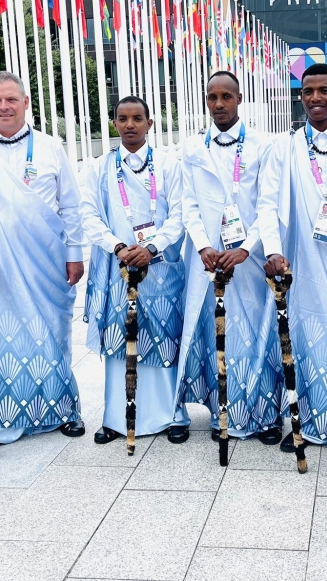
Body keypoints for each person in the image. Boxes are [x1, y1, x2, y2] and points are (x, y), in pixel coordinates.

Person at [0, 71, 85, 451]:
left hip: (45, 263)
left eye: (11, 99)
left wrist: (74, 254)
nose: (3, 107)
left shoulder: (49, 147)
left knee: (50, 333)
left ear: (26, 103)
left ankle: (60, 411)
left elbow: (71, 206)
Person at [259, 63, 327, 453]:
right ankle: (303, 422)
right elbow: (266, 204)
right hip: (301, 261)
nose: (316, 98)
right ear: (300, 96)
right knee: (304, 338)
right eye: (308, 91)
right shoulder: (284, 148)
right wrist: (273, 251)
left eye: (324, 91)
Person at [178, 70, 283, 443]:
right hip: (207, 259)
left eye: (227, 96)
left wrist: (245, 248)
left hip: (248, 260)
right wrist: (204, 246)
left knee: (255, 331)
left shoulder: (262, 144)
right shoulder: (192, 147)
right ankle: (222, 409)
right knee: (214, 331)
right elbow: (187, 204)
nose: (219, 104)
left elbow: (269, 203)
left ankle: (265, 415)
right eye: (212, 97)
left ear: (240, 99)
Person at [81, 96, 190, 445]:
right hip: (117, 266)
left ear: (149, 123)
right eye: (123, 119)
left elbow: (180, 214)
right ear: (114, 124)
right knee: (119, 340)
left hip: (159, 268)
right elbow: (89, 214)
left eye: (137, 118)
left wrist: (152, 247)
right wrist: (117, 246)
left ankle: (173, 414)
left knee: (163, 336)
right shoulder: (98, 168)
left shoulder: (169, 165)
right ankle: (115, 417)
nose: (130, 125)